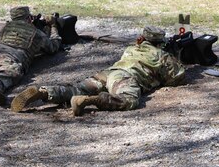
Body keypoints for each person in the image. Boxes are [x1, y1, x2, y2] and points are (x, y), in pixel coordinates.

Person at [11, 25, 185, 116]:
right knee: (128, 100)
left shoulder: (133, 48)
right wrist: (176, 56)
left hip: (109, 73)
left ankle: (43, 92)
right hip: (126, 78)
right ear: (160, 42)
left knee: (75, 88)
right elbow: (175, 78)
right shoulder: (161, 55)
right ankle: (88, 101)